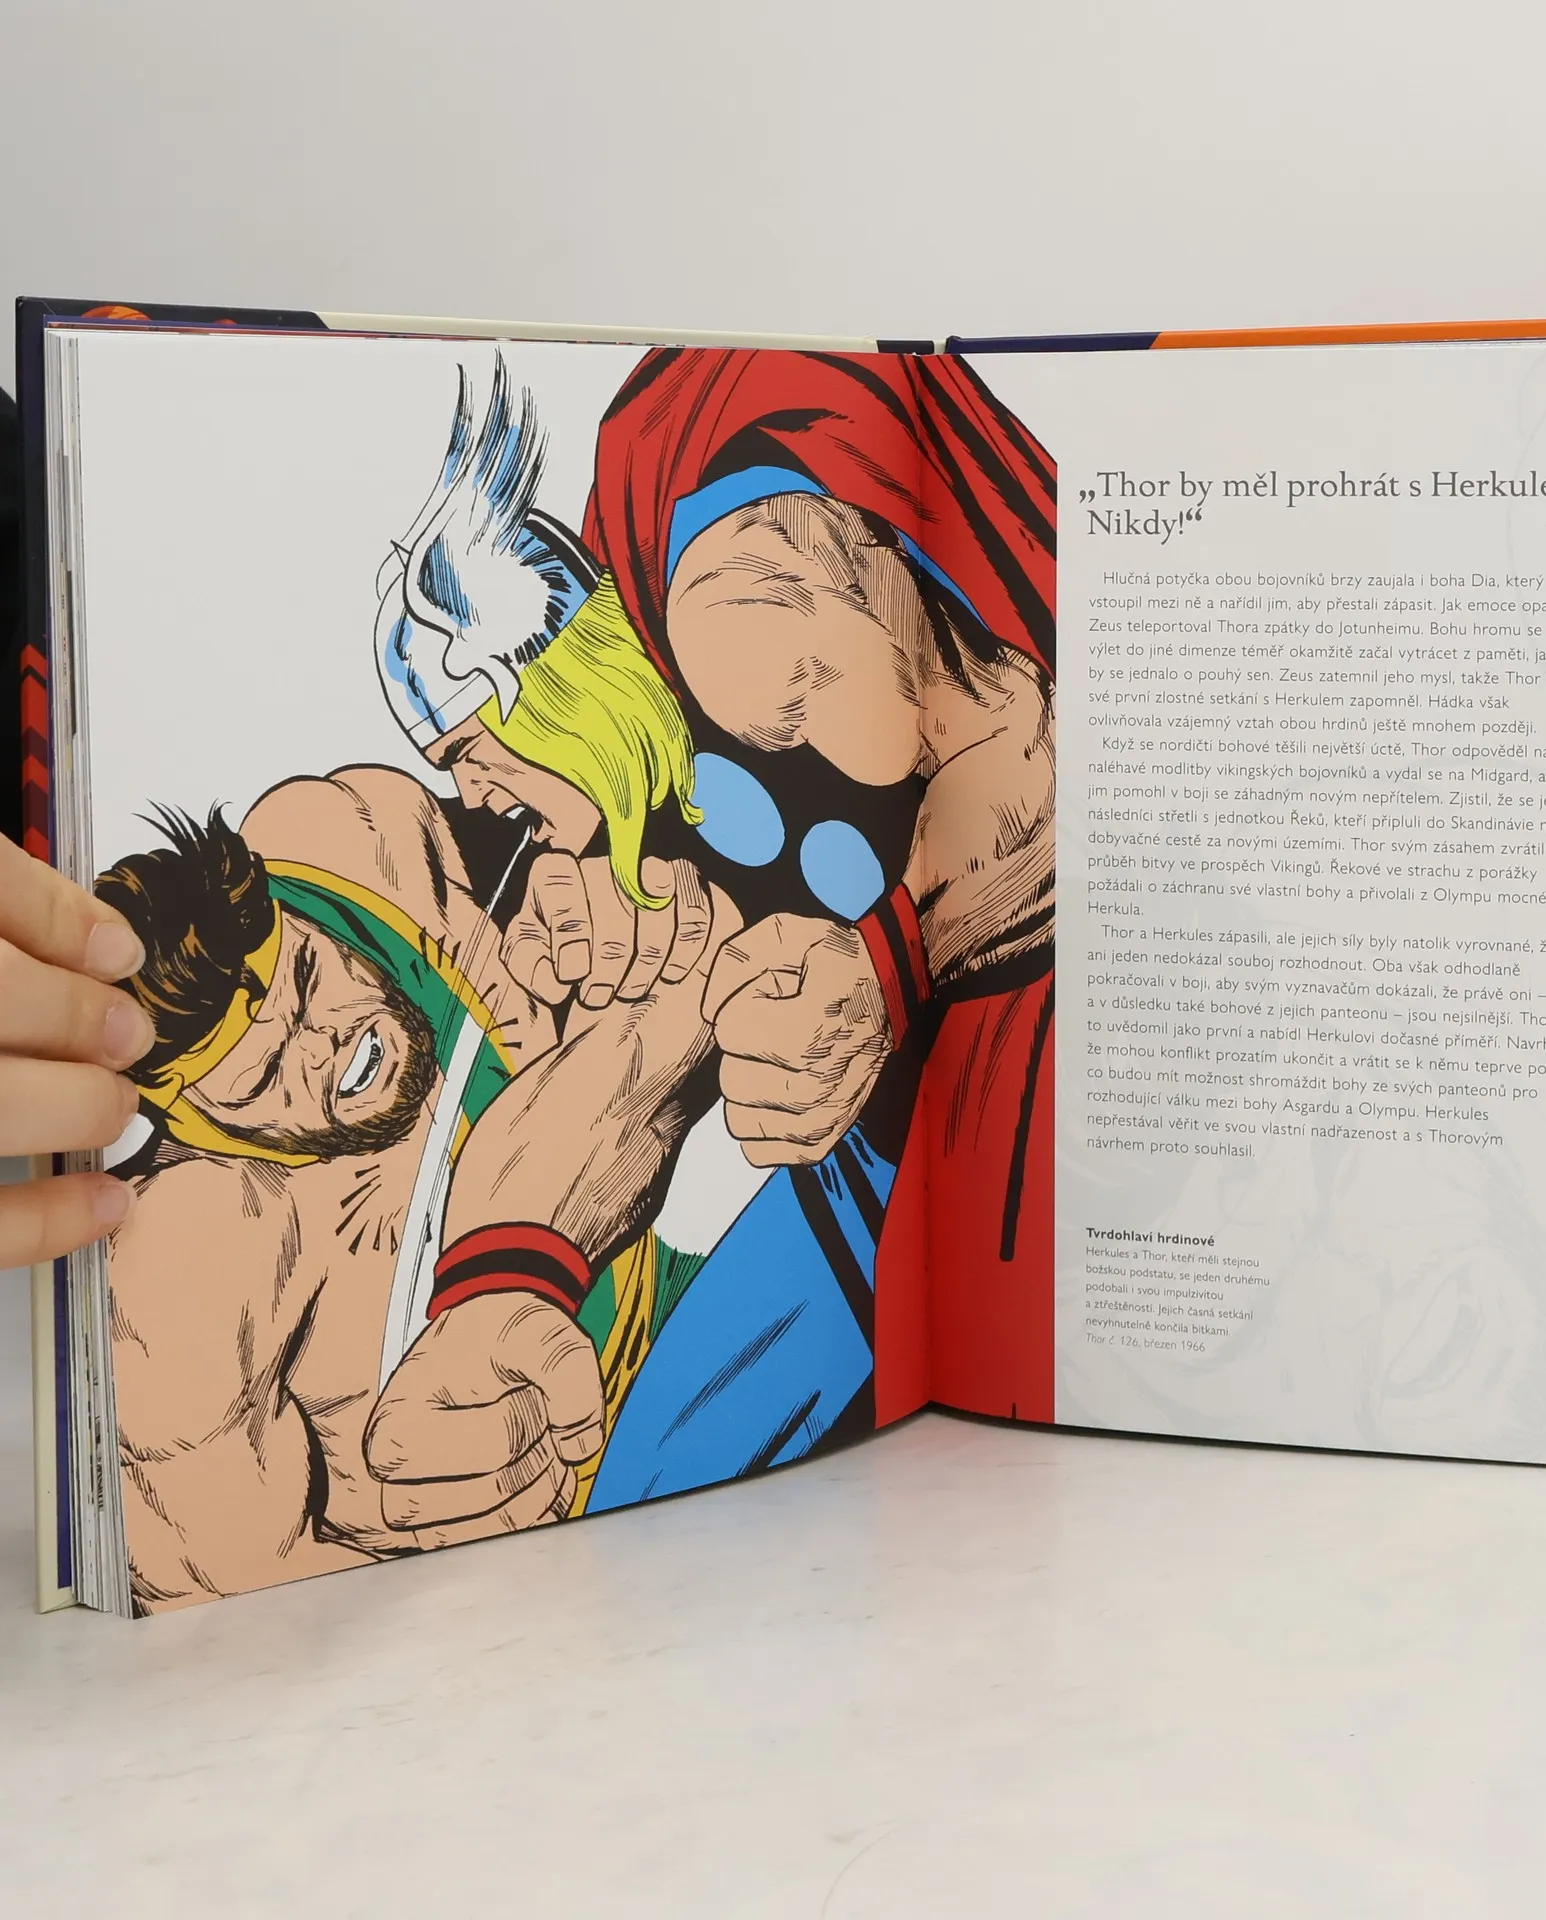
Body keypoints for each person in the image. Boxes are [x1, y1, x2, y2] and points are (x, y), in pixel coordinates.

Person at [367, 350, 1058, 1528]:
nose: (474, 794)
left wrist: (886, 966)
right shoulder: (620, 824)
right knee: (647, 1496)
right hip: (868, 1182)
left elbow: (1029, 765)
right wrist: (503, 1284)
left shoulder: (730, 612)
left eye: (474, 748)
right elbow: (630, 1061)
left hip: (1042, 1082)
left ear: (554, 690)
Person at [73, 768, 723, 1609]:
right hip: (576, 1552)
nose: (327, 1047)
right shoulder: (188, 1265)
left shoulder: (356, 839)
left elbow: (625, 876)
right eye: (266, 1078)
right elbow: (243, 1602)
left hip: (690, 1310)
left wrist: (615, 906)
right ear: (192, 1120)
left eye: (309, 979)